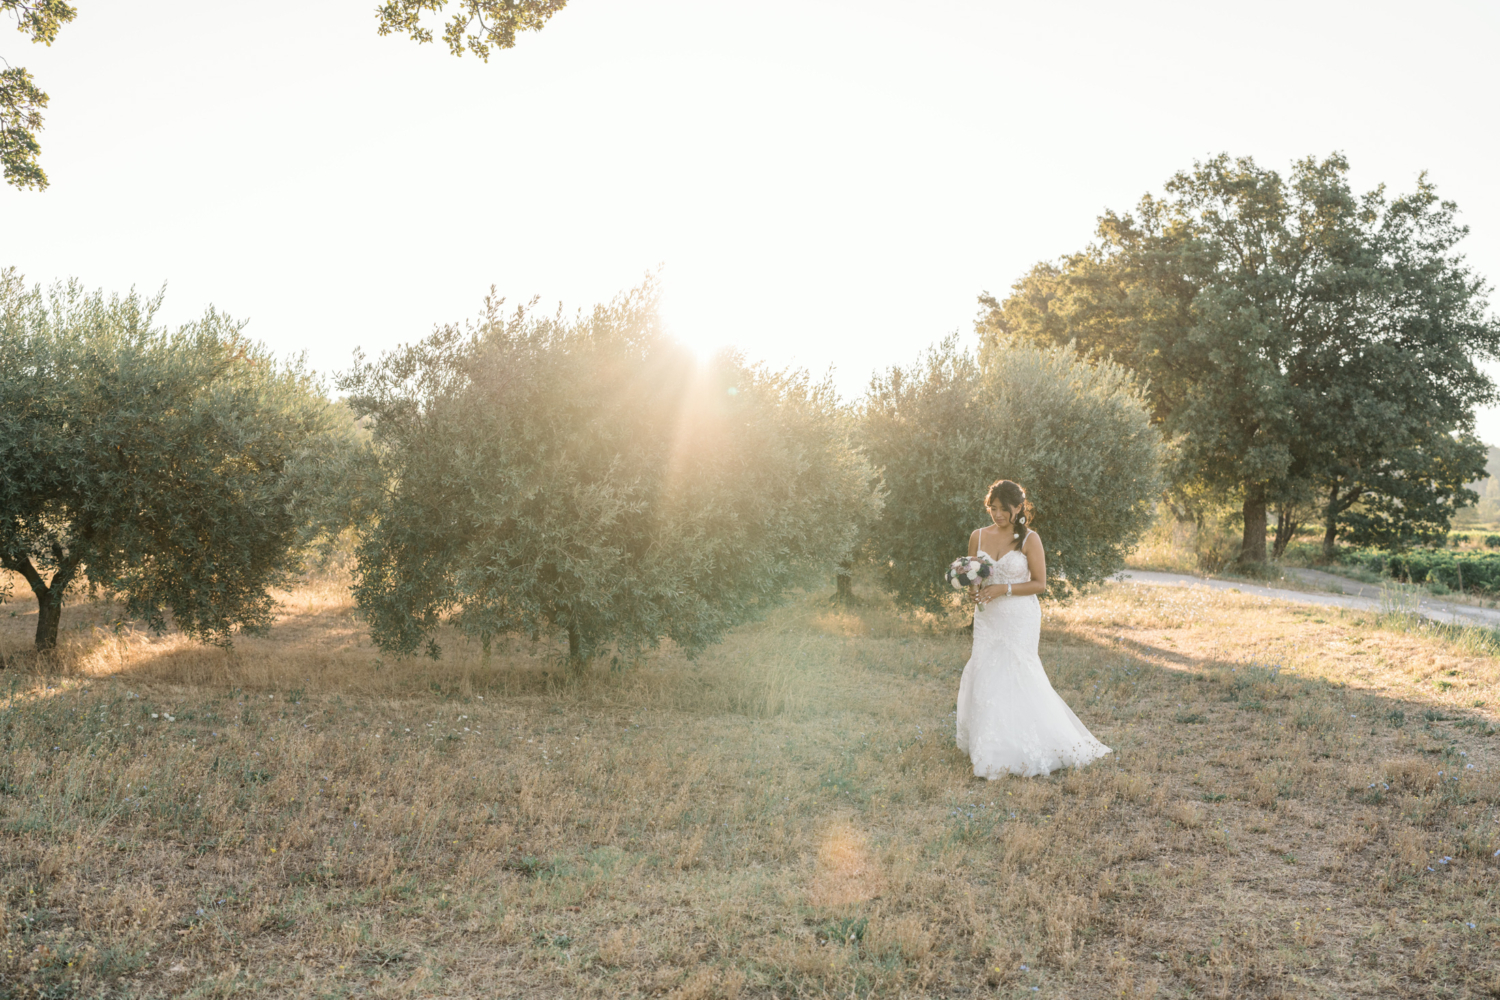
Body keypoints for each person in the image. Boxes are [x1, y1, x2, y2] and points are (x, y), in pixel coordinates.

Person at [955, 479, 1112, 778]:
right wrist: (972, 592)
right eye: (993, 508)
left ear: (1018, 508)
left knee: (1017, 672)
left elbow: (1039, 583)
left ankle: (1032, 744)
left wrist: (1004, 589)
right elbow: (973, 578)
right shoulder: (977, 537)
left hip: (1019, 615)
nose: (997, 514)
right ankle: (991, 747)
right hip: (988, 616)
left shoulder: (1029, 539)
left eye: (1004, 509)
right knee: (987, 672)